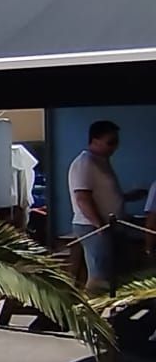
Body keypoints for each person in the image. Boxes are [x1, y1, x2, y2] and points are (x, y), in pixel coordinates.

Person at [70, 120, 126, 293]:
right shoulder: (86, 162)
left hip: (108, 225)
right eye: (110, 142)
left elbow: (103, 194)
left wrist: (126, 197)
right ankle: (93, 313)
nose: (114, 147)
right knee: (99, 277)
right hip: (94, 226)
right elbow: (82, 198)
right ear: (95, 140)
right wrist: (99, 224)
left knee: (110, 273)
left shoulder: (101, 161)